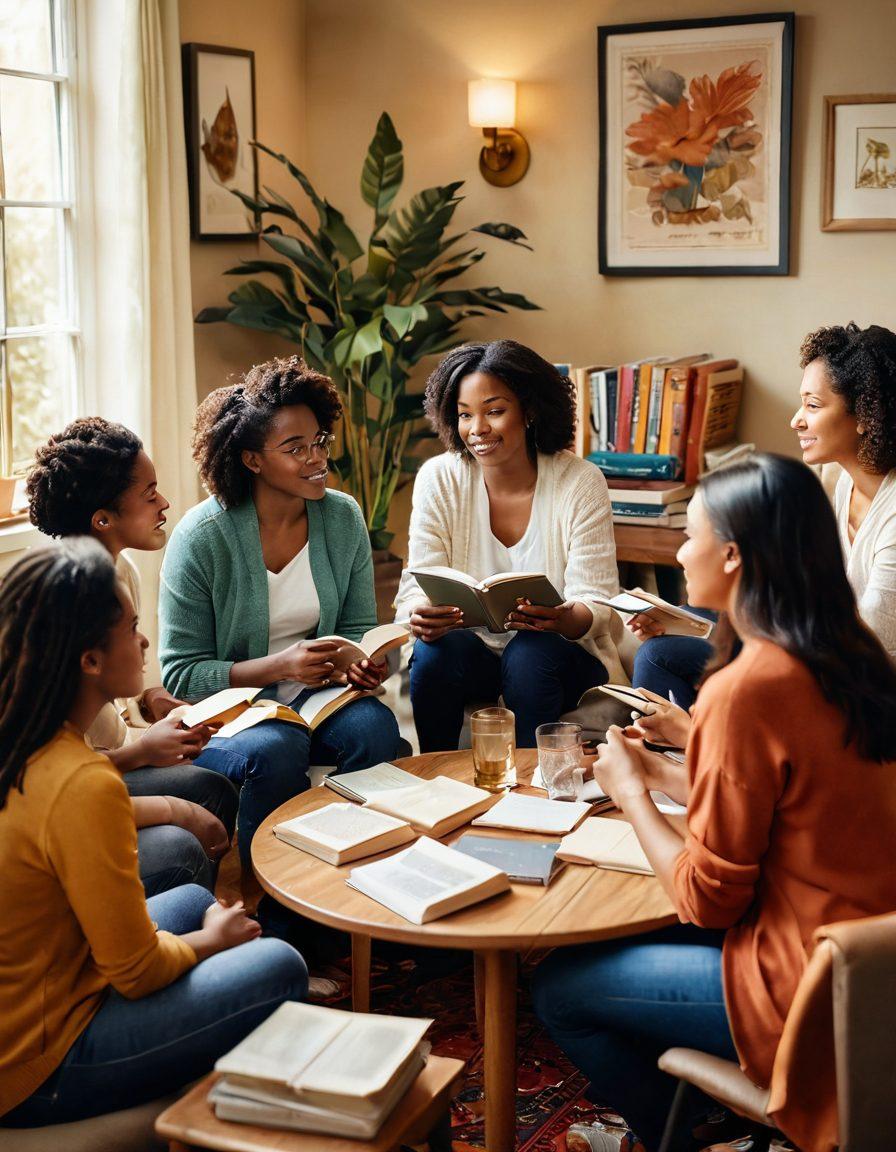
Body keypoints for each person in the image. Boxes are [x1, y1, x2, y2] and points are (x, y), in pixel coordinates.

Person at [533, 454, 896, 1152]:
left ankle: (691, 1130)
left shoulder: (748, 687)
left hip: (808, 988)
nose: (678, 552)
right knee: (615, 941)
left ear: (732, 556)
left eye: (689, 535)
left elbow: (707, 901)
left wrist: (631, 793)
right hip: (873, 955)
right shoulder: (851, 654)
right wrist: (662, 774)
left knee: (558, 991)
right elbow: (789, 804)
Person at [0, 539, 307, 1127]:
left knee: (189, 899)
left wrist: (204, 932)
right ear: (90, 661)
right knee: (278, 966)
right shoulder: (81, 782)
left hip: (45, 985)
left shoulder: (24, 736)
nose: (144, 642)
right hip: (36, 1064)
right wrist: (213, 942)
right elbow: (136, 972)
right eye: (132, 629)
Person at [159, 356, 402, 870]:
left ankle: (360, 872)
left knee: (375, 729)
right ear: (252, 460)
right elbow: (181, 673)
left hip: (321, 697)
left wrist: (361, 663)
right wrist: (279, 667)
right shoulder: (201, 538)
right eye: (295, 448)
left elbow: (359, 629)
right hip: (234, 712)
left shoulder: (342, 518)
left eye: (319, 442)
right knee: (276, 748)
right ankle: (277, 897)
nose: (317, 459)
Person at [630, 321, 896, 714]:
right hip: (831, 654)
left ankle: (694, 743)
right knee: (692, 618)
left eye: (813, 405)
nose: (796, 420)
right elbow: (814, 600)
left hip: (864, 687)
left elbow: (868, 641)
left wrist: (735, 632)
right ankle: (690, 742)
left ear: (865, 414)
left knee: (659, 655)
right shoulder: (843, 482)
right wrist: (692, 623)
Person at [27, 418, 239, 895]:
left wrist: (150, 699)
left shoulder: (119, 571)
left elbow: (106, 696)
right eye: (149, 494)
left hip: (103, 762)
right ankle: (163, 923)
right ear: (103, 519)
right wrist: (141, 752)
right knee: (184, 839)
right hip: (60, 797)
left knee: (213, 789)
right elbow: (47, 776)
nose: (164, 503)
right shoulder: (62, 606)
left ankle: (194, 917)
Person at [395, 340, 630, 751]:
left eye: (494, 411)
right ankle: (433, 769)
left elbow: (598, 603)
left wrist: (562, 618)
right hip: (474, 657)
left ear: (530, 410)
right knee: (435, 651)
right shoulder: (439, 478)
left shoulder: (580, 481)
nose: (477, 429)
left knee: (530, 651)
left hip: (561, 656)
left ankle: (532, 776)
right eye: (464, 414)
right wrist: (420, 614)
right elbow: (417, 586)